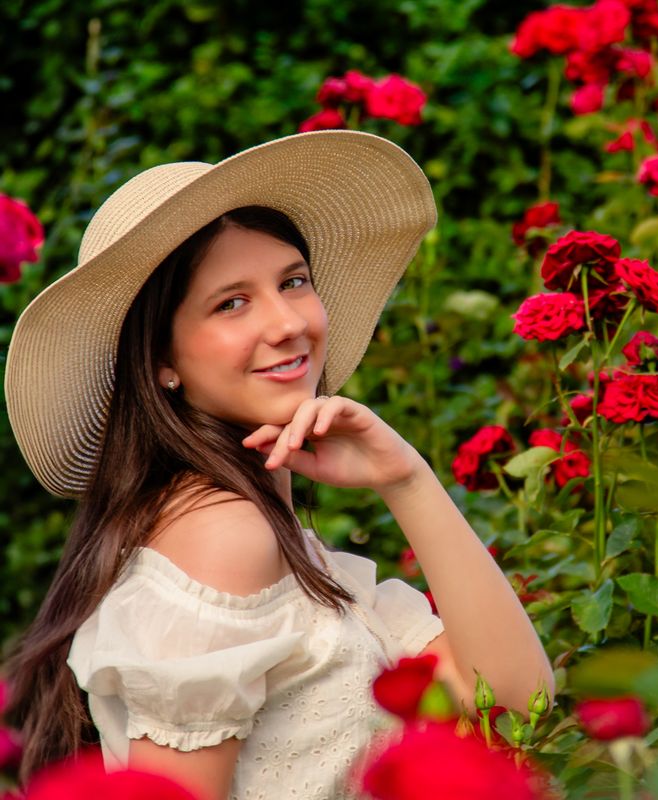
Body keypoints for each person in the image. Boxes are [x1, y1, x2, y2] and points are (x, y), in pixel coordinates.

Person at [3, 130, 554, 800]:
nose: (286, 322)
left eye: (293, 281)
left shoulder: (266, 541)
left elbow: (511, 702)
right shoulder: (225, 537)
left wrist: (407, 479)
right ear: (162, 362)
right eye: (231, 302)